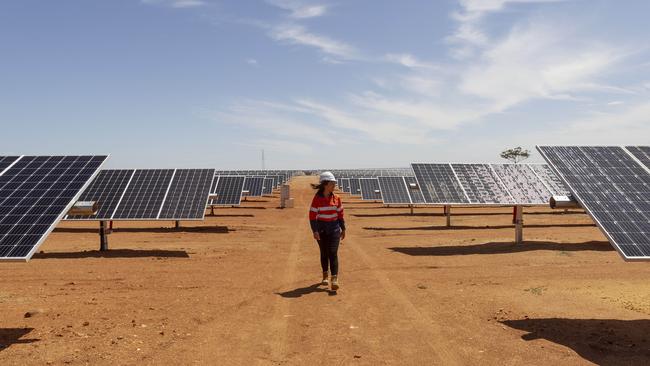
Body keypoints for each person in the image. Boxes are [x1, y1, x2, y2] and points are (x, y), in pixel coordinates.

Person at [309, 171, 346, 291]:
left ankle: (334, 279)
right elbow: (312, 216)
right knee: (324, 253)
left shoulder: (337, 198)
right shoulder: (317, 199)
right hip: (322, 230)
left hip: (334, 229)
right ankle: (325, 274)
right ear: (325, 184)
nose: (334, 185)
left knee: (333, 253)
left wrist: (343, 228)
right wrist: (315, 231)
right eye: (332, 183)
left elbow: (340, 214)